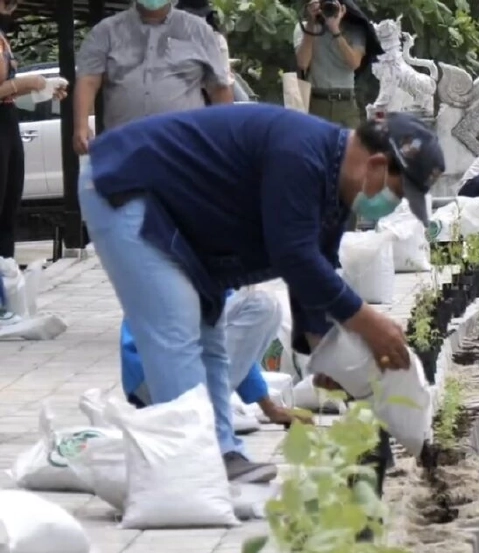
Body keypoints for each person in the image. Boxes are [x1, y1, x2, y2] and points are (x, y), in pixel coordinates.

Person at [78, 104, 442, 483]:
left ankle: (223, 454)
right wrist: (368, 321)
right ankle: (191, 468)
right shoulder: (301, 152)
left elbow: (313, 273)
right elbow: (293, 255)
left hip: (180, 218)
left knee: (211, 340)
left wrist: (327, 356)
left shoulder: (333, 191)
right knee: (176, 325)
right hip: (124, 184)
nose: (393, 204)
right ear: (378, 165)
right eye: (398, 194)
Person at [121, 287, 304, 437]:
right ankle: (206, 409)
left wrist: (270, 408)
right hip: (158, 381)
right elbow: (218, 344)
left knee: (266, 305)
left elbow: (238, 347)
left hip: (156, 380)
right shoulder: (191, 262)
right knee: (261, 303)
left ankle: (209, 405)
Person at [72, 0, 233, 155]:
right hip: (124, 147)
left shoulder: (199, 31)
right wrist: (81, 125)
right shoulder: (105, 31)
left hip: (184, 148)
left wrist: (225, 136)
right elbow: (88, 80)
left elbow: (219, 88)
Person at [0, 0, 66, 260]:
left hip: (7, 120)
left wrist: (41, 86)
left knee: (8, 209)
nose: (11, 8)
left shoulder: (3, 37)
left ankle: (4, 286)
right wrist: (27, 82)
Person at [294, 0, 368, 128]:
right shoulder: (305, 28)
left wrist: (335, 29)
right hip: (317, 101)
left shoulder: (355, 29)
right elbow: (303, 63)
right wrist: (311, 23)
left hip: (346, 103)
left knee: (349, 145)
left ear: (343, 6)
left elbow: (354, 63)